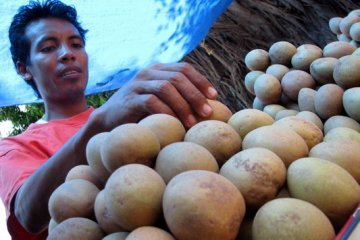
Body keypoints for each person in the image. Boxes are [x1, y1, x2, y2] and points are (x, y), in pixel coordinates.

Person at [0, 0, 218, 239]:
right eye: (48, 48)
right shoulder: (14, 147)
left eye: (76, 44)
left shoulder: (138, 114)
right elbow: (26, 213)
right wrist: (101, 122)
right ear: (24, 69)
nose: (67, 54)